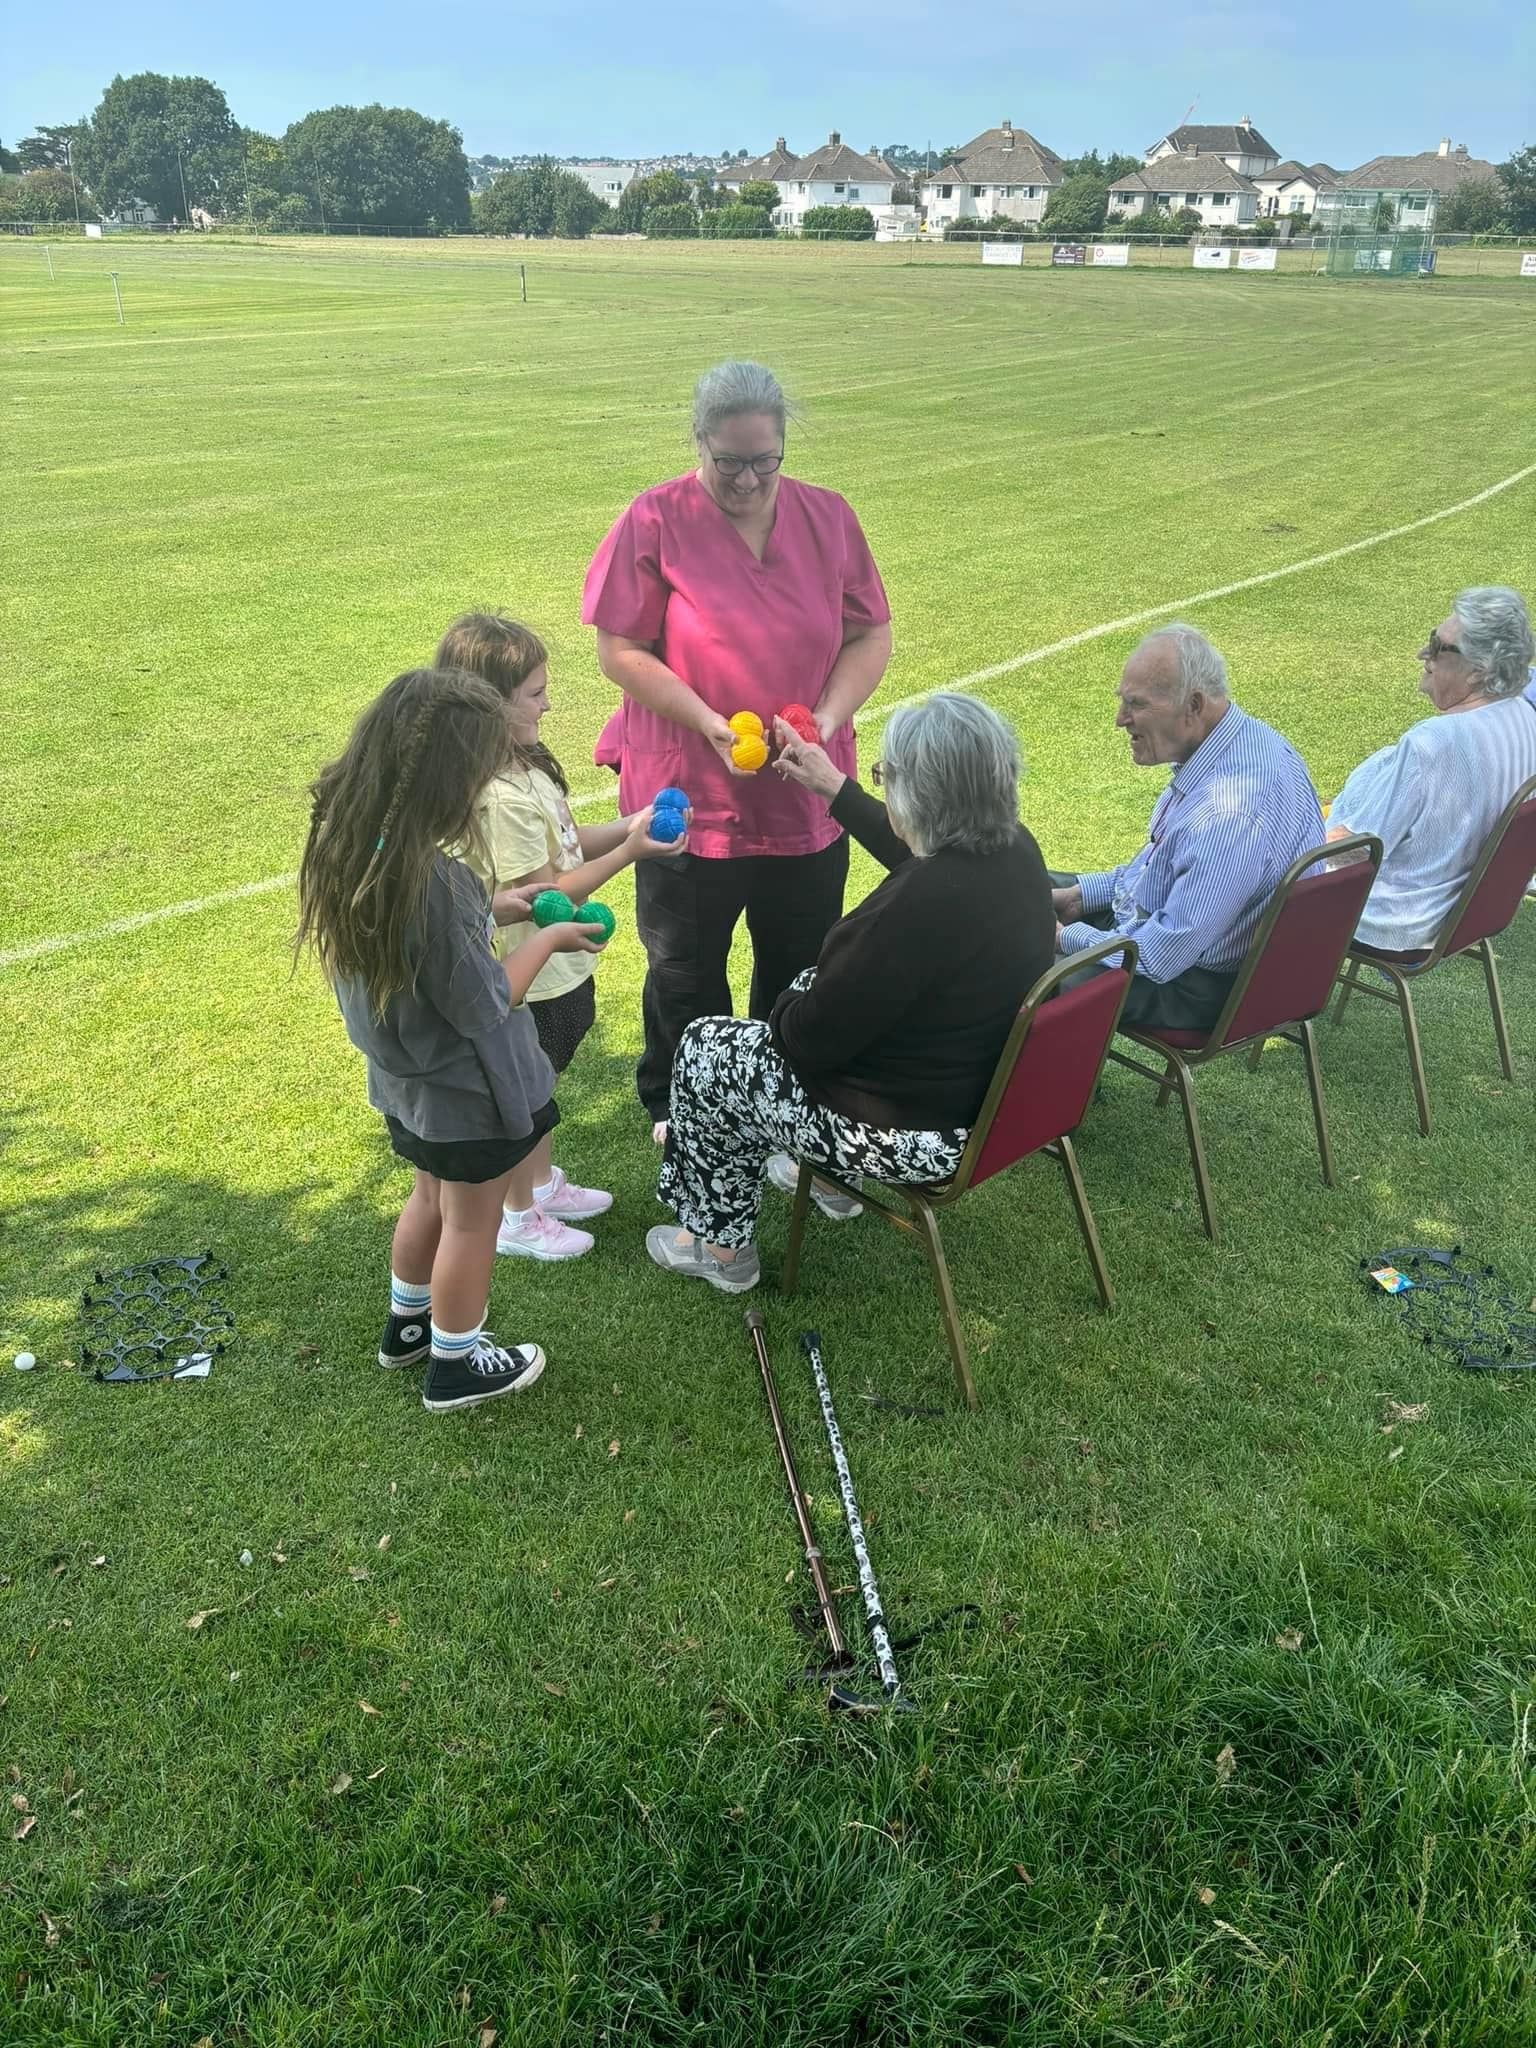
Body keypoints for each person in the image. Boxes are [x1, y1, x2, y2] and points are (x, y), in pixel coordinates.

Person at [644, 694, 1056, 1293]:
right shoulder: (1014, 850)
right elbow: (917, 853)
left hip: (915, 1135)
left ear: (921, 794)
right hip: (984, 1101)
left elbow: (809, 1040)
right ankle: (834, 1187)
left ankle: (717, 1247)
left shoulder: (916, 908)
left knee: (709, 1049)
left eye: (885, 776)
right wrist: (835, 787)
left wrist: (796, 990)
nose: (882, 788)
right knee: (863, 1029)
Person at [582, 359, 893, 1142]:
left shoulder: (829, 517)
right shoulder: (654, 520)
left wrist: (823, 717)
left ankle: (772, 1096)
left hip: (803, 791)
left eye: (764, 460)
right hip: (689, 790)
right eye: (729, 462)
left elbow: (870, 632)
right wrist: (709, 721)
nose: (749, 479)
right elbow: (620, 648)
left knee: (796, 962)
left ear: (784, 446)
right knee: (685, 966)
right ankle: (680, 1100)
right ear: (699, 443)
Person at [294, 667, 602, 1412]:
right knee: (474, 1220)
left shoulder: (351, 847)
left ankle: (408, 1326)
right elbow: (487, 999)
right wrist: (551, 933)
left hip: (409, 1090)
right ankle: (456, 1365)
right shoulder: (434, 880)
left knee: (428, 1197)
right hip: (468, 1093)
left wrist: (495, 907)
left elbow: (427, 950)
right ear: (444, 781)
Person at [435, 612, 687, 1262]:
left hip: (560, 973)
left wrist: (630, 824)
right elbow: (549, 898)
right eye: (536, 693)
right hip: (530, 975)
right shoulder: (501, 799)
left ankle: (540, 1184)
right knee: (524, 1096)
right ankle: (516, 1215)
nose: (550, 701)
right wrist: (633, 851)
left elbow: (569, 844)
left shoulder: (527, 767)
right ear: (490, 703)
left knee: (542, 1084)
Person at [1052, 624, 1324, 1032]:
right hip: (1184, 944)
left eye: (1135, 705)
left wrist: (1061, 936)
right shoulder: (1243, 743)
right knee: (1023, 886)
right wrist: (1079, 897)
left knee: (1033, 966)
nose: (1120, 720)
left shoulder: (1227, 816)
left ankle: (1045, 1087)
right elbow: (1161, 868)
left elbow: (1157, 958)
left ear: (1193, 706)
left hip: (1197, 984)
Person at [1327, 588, 1536, 948]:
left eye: (1439, 648)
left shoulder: (1434, 741)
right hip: (1468, 911)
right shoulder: (1523, 715)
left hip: (1400, 919)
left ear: (1478, 672)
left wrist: (1295, 845)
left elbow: (1359, 850)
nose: (1424, 655)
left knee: (1253, 872)